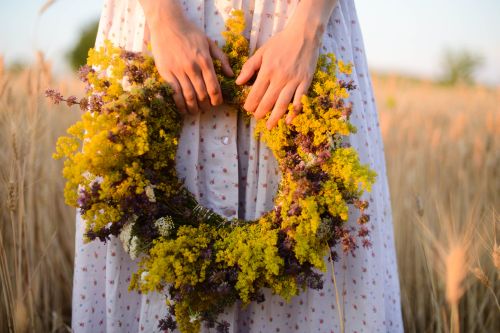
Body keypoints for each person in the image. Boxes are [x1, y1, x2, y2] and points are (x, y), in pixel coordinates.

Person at [71, 0, 404, 332]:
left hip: (294, 29)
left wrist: (307, 30)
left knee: (319, 244)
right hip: (159, 28)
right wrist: (163, 19)